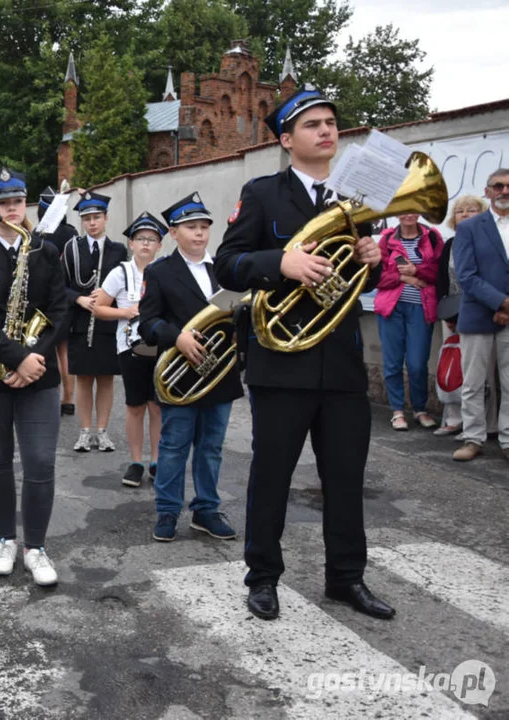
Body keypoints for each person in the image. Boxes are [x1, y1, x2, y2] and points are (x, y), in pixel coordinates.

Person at [214, 86, 394, 621]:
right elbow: (228, 264)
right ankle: (263, 577)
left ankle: (346, 578)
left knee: (345, 476)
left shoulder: (355, 199)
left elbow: (368, 276)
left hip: (339, 362)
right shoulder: (264, 192)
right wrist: (281, 263)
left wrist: (374, 256)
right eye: (313, 124)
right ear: (288, 140)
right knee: (272, 475)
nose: (327, 130)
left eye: (331, 122)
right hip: (281, 361)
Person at [0, 168, 68, 585]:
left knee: (40, 461)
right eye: (2, 203)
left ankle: (35, 547)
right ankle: (6, 538)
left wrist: (32, 359)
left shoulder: (46, 250)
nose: (12, 209)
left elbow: (59, 311)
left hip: (37, 371)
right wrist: (15, 358)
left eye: (17, 202)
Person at [139, 195, 240, 542]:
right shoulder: (159, 271)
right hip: (180, 374)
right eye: (191, 227)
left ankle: (206, 509)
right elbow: (146, 323)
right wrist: (176, 337)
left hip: (220, 373)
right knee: (174, 445)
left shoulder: (224, 269)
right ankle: (167, 511)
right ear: (173, 232)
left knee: (211, 446)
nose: (199, 234)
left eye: (203, 227)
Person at [95, 211, 165, 488]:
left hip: (161, 346)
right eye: (140, 239)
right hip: (130, 346)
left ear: (160, 244)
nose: (146, 243)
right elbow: (100, 308)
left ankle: (157, 460)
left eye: (152, 239)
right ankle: (136, 461)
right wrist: (126, 311)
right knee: (136, 406)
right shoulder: (120, 272)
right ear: (131, 244)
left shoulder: (166, 270)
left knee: (158, 407)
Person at [452, 168, 509, 463]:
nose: (504, 191)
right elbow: (466, 275)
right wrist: (501, 303)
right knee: (474, 383)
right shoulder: (470, 228)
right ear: (487, 192)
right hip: (478, 315)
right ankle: (473, 438)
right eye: (497, 186)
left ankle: (508, 438)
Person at [62, 192, 126, 452]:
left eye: (96, 217)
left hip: (107, 322)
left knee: (107, 378)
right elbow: (60, 285)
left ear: (106, 218)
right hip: (80, 321)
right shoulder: (71, 248)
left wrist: (107, 296)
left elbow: (125, 284)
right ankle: (85, 431)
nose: (92, 223)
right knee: (84, 379)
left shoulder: (118, 249)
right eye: (87, 218)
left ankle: (103, 431)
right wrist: (78, 299)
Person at [374, 214, 443, 430]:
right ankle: (397, 410)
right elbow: (376, 276)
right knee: (393, 362)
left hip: (421, 308)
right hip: (391, 308)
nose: (408, 215)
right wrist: (403, 278)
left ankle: (419, 409)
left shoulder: (432, 237)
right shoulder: (386, 239)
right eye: (404, 210)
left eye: (413, 210)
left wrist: (416, 270)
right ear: (397, 213)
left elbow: (439, 273)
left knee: (417, 363)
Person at [434, 195, 490, 436]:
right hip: (453, 314)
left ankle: (488, 423)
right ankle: (455, 419)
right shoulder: (450, 244)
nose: (465, 214)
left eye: (471, 210)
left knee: (482, 372)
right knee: (453, 367)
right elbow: (441, 281)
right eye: (460, 211)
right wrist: (446, 311)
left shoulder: (490, 242)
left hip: (484, 312)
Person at [38, 187, 78, 416]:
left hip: (44, 297)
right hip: (67, 297)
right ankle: (68, 400)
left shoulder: (39, 234)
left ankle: (51, 396)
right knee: (65, 351)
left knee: (46, 348)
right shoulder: (72, 233)